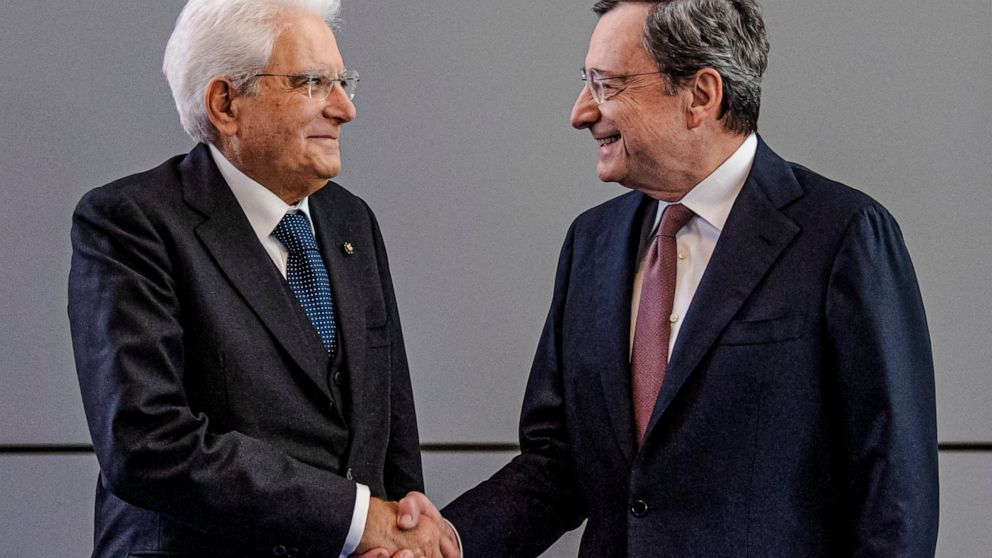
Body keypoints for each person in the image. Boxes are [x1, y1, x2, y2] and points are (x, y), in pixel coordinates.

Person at [391, 0, 939, 556]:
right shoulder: (592, 242)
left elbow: (894, 495)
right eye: (586, 83)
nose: (581, 112)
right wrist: (447, 542)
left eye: (607, 85)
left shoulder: (842, 235)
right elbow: (559, 460)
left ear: (700, 94)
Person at [68, 1, 454, 556]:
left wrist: (404, 531)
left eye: (342, 81)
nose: (345, 109)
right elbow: (147, 442)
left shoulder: (351, 220)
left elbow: (390, 427)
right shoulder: (132, 222)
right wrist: (356, 518)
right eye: (312, 83)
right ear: (225, 104)